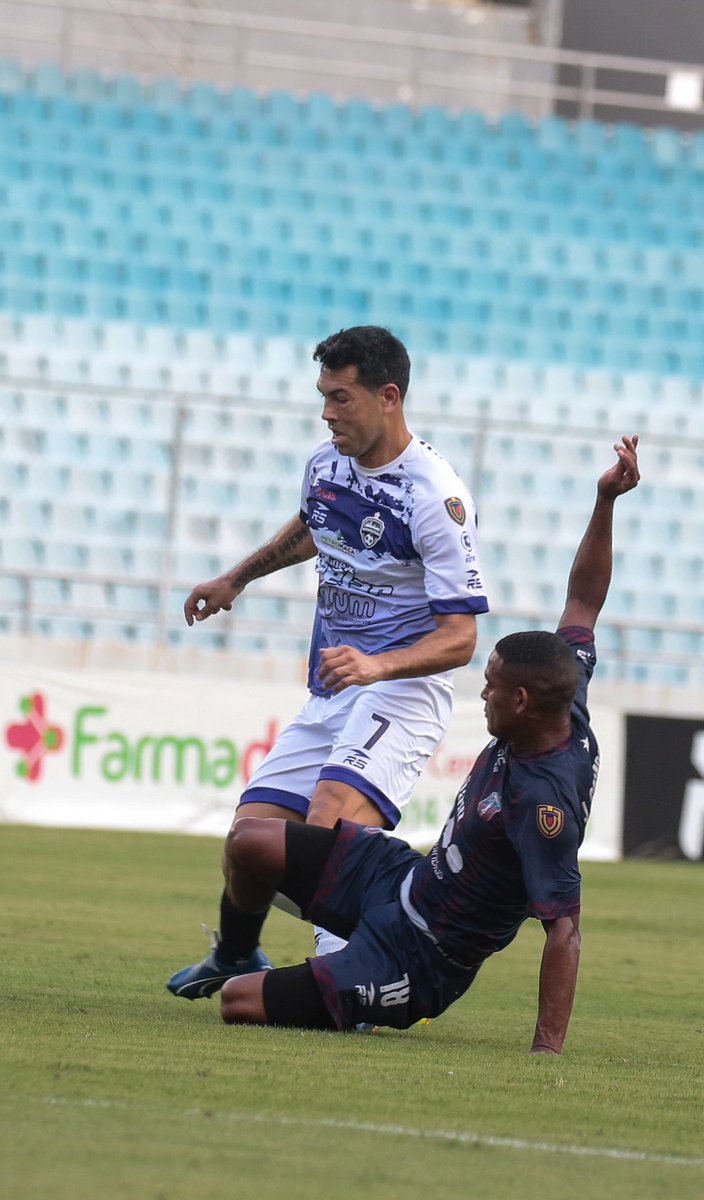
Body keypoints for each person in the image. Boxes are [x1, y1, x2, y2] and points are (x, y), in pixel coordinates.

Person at [203, 436, 639, 1052]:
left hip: (422, 955)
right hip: (404, 880)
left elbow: (563, 930)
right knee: (248, 842)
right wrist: (604, 502)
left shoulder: (544, 803)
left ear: (521, 703)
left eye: (490, 689)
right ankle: (250, 950)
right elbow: (584, 602)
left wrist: (545, 1053)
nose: (480, 695)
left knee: (239, 1004)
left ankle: (348, 981)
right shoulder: (564, 688)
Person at [168, 325, 489, 997]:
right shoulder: (327, 464)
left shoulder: (435, 496)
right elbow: (314, 528)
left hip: (401, 692)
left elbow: (461, 637)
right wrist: (236, 579)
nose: (327, 413)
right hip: (334, 687)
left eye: (341, 398)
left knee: (327, 831)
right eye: (323, 396)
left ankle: (354, 982)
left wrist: (377, 667)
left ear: (388, 397)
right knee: (250, 839)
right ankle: (234, 955)